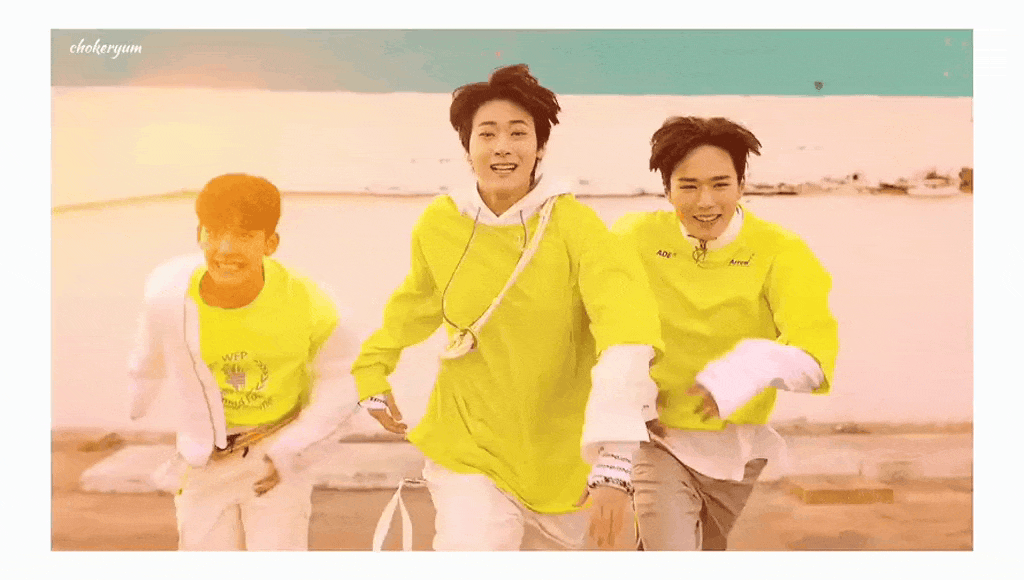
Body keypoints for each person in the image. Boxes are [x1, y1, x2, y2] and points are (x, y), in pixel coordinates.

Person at [352, 64, 664, 551]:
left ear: (540, 147)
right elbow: (416, 302)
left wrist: (615, 463)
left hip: (565, 460)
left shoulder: (578, 227)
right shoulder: (440, 223)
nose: (502, 146)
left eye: (519, 133)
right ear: (467, 147)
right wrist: (372, 370)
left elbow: (626, 334)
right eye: (487, 133)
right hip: (468, 445)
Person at [613, 117, 839, 550]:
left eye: (720, 185)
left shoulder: (781, 251)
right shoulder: (633, 238)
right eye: (688, 186)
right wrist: (628, 401)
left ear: (741, 185)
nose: (705, 202)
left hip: (738, 450)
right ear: (667, 190)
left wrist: (743, 371)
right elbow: (599, 322)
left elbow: (815, 360)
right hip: (657, 440)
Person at [127, 173, 360, 550]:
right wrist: (140, 390)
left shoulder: (312, 303)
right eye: (214, 233)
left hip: (274, 456)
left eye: (245, 236)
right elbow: (148, 350)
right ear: (199, 234)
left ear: (270, 243)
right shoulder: (170, 297)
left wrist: (292, 451)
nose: (225, 249)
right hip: (204, 462)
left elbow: (344, 381)